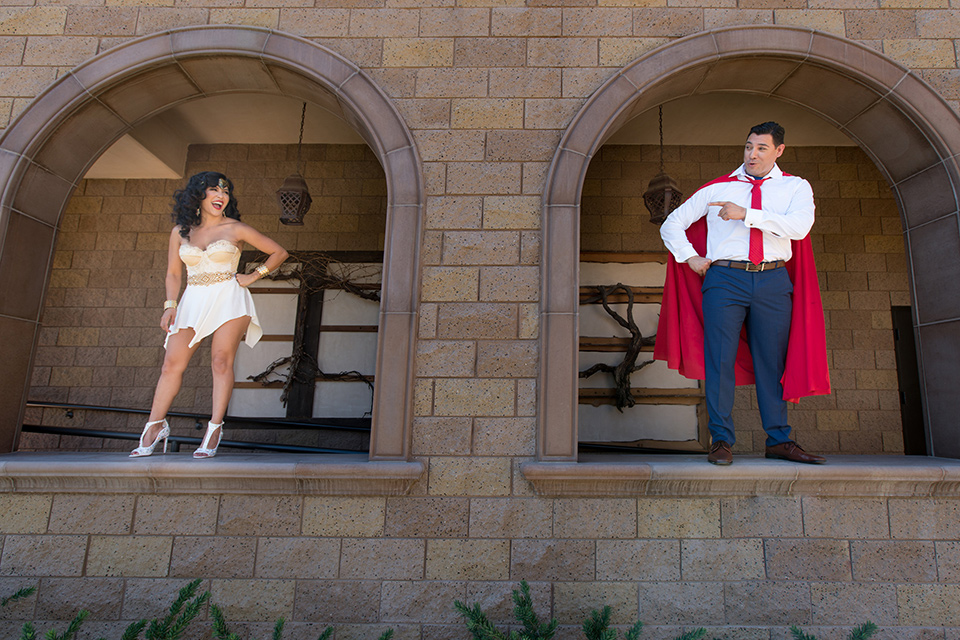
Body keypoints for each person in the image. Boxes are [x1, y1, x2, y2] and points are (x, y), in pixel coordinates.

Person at [656, 121, 829, 465]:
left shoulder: (796, 188)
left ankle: (778, 440)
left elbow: (799, 227)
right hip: (725, 279)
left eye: (762, 148)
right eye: (749, 147)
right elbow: (671, 223)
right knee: (719, 359)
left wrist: (746, 214)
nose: (752, 154)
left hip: (773, 280)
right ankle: (720, 440)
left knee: (771, 361)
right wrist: (690, 257)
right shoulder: (717, 188)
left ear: (779, 151)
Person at [130, 172, 289, 459]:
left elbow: (278, 252)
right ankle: (155, 427)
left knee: (220, 360)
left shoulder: (236, 228)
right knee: (171, 365)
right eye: (214, 190)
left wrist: (253, 276)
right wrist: (170, 305)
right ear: (198, 196)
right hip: (193, 299)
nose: (221, 195)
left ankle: (214, 429)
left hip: (229, 296)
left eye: (225, 191)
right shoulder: (181, 232)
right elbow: (173, 272)